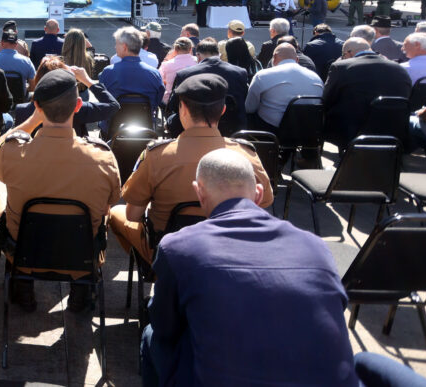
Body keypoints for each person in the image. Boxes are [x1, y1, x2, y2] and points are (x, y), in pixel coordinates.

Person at [141, 149, 356, 387]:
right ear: (259, 194)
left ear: (199, 193)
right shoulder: (317, 247)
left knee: (150, 336)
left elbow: (164, 326)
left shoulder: (177, 247)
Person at [0, 69, 121, 311]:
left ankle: (23, 287)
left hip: (24, 250)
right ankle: (82, 288)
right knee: (102, 212)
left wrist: (33, 119)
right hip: (80, 252)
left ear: (37, 105)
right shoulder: (102, 156)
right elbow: (110, 202)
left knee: (2, 198)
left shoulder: (11, 153)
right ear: (78, 105)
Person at [110, 75, 272, 263]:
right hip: (229, 257)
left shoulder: (157, 155)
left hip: (171, 257)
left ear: (183, 109)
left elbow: (133, 214)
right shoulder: (247, 154)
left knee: (116, 213)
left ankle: (154, 271)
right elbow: (265, 202)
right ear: (223, 111)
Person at [323, 37, 412, 150]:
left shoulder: (341, 67)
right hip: (393, 127)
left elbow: (326, 98)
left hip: (352, 130)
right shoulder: (398, 68)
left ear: (349, 53)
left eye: (343, 55)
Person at [166, 38, 248, 133]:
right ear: (219, 55)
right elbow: (244, 100)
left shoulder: (184, 74)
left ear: (198, 56)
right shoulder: (240, 72)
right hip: (232, 128)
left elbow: (174, 105)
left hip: (193, 128)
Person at [244, 44, 324, 133]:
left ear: (274, 57)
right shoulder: (316, 78)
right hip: (308, 131)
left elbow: (249, 108)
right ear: (297, 60)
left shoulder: (262, 75)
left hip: (272, 132)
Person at [99, 27, 165, 110]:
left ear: (124, 47)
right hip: (145, 120)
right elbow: (158, 99)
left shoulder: (108, 72)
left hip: (113, 120)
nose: (115, 47)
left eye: (116, 44)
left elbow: (102, 98)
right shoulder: (155, 74)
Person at [160, 37, 197, 104]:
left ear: (175, 49)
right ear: (191, 49)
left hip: (170, 102)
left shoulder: (166, 65)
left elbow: (159, 80)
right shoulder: (198, 62)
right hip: (193, 101)